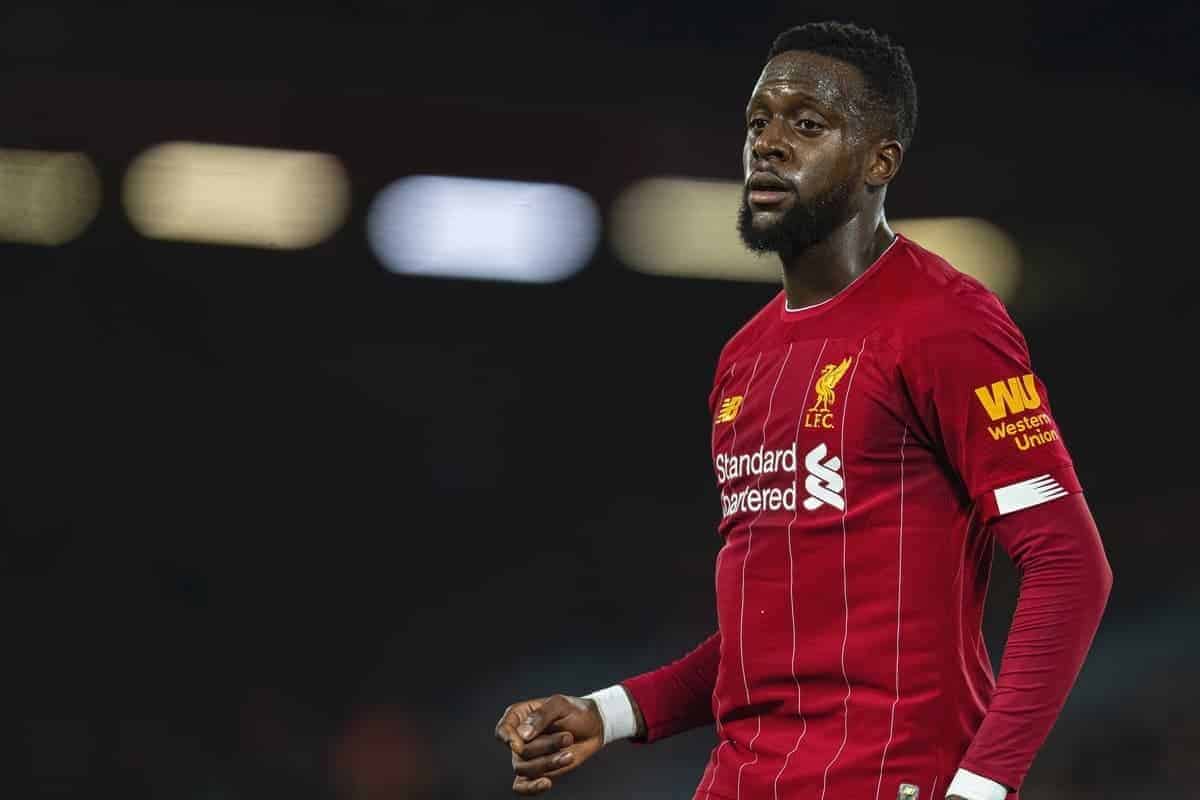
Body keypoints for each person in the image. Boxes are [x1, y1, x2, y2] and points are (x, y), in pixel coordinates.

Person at [494, 20, 1112, 800]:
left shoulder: (946, 323)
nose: (769, 143)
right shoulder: (743, 359)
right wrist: (608, 712)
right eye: (759, 121)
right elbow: (772, 630)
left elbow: (1069, 566)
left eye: (807, 124)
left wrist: (983, 786)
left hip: (889, 779)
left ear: (881, 159)